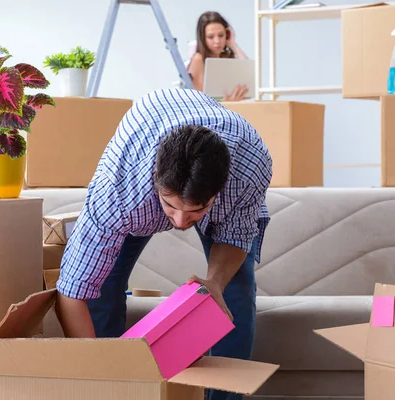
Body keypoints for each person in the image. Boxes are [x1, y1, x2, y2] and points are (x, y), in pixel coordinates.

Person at [55, 88, 273, 400]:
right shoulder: (120, 190)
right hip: (145, 130)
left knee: (235, 287)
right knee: (102, 286)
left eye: (197, 210)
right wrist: (94, 374)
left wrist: (215, 282)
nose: (181, 222)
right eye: (171, 206)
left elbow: (236, 236)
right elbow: (73, 290)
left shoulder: (248, 169)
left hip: (230, 150)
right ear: (155, 179)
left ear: (219, 192)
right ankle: (115, 390)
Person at [188, 11, 250, 101]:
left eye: (221, 35)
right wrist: (226, 103)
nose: (217, 41)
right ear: (202, 38)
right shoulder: (198, 59)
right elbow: (200, 101)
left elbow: (248, 74)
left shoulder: (224, 59)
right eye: (210, 37)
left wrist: (233, 44)